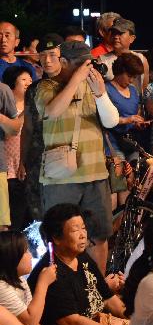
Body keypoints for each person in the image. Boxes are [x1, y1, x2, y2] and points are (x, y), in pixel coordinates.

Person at [35, 41, 120, 274]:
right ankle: (62, 290)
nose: (88, 68)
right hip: (61, 177)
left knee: (100, 235)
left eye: (89, 62)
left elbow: (112, 121)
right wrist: (76, 79)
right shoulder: (47, 87)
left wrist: (101, 93)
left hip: (95, 174)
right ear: (64, 63)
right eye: (82, 64)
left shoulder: (93, 86)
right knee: (59, 237)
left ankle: (97, 293)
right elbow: (52, 111)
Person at [30, 203, 127, 325]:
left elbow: (108, 297)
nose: (83, 235)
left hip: (95, 323)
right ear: (56, 238)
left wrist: (130, 317)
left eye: (83, 228)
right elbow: (71, 322)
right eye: (75, 230)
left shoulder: (81, 257)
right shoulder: (50, 271)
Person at [20, 34, 63, 225]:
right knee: (39, 215)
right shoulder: (33, 89)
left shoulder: (74, 85)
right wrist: (22, 160)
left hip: (65, 160)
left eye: (52, 54)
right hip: (38, 160)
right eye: (43, 55)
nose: (47, 60)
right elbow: (27, 128)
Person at [103, 52, 148, 210]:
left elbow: (134, 115)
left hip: (130, 143)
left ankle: (125, 226)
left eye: (135, 76)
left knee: (131, 186)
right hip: (112, 144)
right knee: (118, 186)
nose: (132, 79)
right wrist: (128, 119)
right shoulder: (106, 89)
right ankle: (114, 227)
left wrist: (138, 123)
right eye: (130, 75)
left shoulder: (133, 91)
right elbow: (105, 119)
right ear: (120, 71)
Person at [0, 231, 56, 325]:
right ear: (11, 257)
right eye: (26, 252)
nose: (30, 256)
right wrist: (43, 283)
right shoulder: (1, 287)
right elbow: (31, 322)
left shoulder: (19, 279)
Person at [2, 67, 32, 231]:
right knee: (15, 217)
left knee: (30, 219)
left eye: (30, 79)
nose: (29, 83)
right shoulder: (5, 107)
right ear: (12, 83)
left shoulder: (33, 106)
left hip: (29, 168)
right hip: (10, 170)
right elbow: (7, 134)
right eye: (23, 79)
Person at [97, 17, 150, 92]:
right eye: (114, 33)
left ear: (132, 38)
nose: (115, 37)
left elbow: (144, 89)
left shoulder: (141, 59)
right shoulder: (101, 61)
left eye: (120, 33)